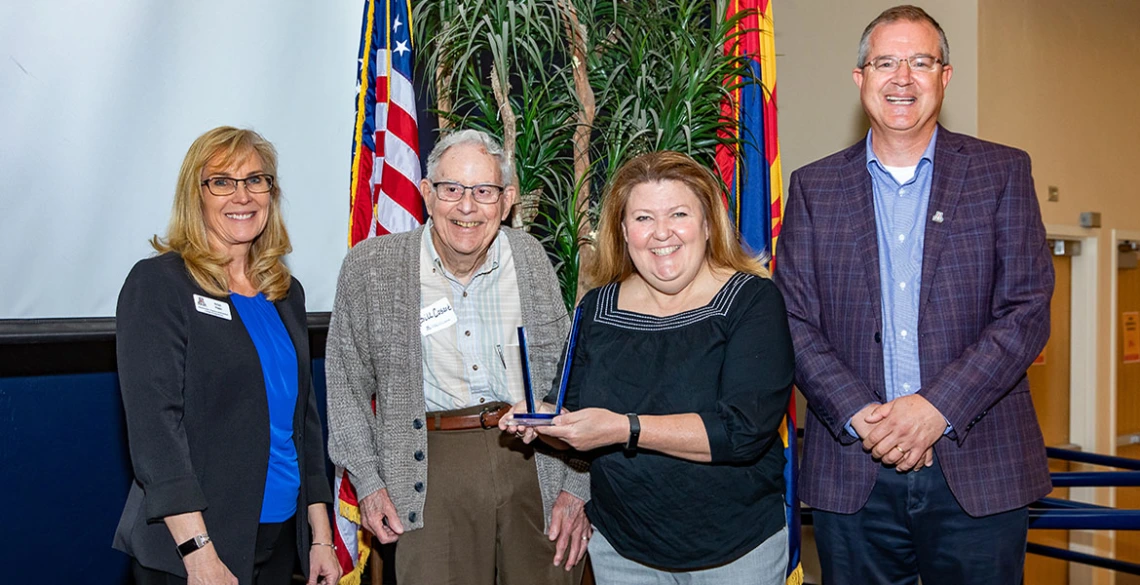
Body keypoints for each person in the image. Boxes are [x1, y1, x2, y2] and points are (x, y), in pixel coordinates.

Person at [774, 5, 1054, 584]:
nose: (902, 77)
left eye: (920, 62)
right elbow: (791, 319)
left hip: (980, 468)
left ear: (944, 76)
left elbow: (1026, 311)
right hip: (853, 469)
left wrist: (935, 409)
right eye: (885, 62)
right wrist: (862, 416)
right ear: (861, 79)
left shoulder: (1001, 173)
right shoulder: (813, 186)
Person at [504, 151, 795, 584]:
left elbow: (743, 432)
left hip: (736, 552)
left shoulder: (751, 300)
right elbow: (577, 418)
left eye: (678, 213)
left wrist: (626, 428)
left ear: (708, 223)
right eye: (642, 218)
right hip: (623, 551)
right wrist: (545, 419)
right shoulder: (597, 307)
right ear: (622, 231)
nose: (661, 233)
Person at [324, 129, 591, 585]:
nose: (467, 207)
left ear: (506, 201)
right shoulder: (371, 266)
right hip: (429, 468)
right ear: (427, 194)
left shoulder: (528, 257)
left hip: (535, 460)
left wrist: (576, 486)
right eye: (451, 189)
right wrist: (368, 483)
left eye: (484, 191)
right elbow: (345, 385)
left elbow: (569, 375)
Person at [113, 127, 340, 585]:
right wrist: (198, 552)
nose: (243, 195)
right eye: (222, 181)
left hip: (278, 536)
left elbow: (305, 421)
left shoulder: (284, 292)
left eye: (257, 180)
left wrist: (320, 537)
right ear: (195, 195)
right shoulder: (161, 284)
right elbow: (156, 430)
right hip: (195, 548)